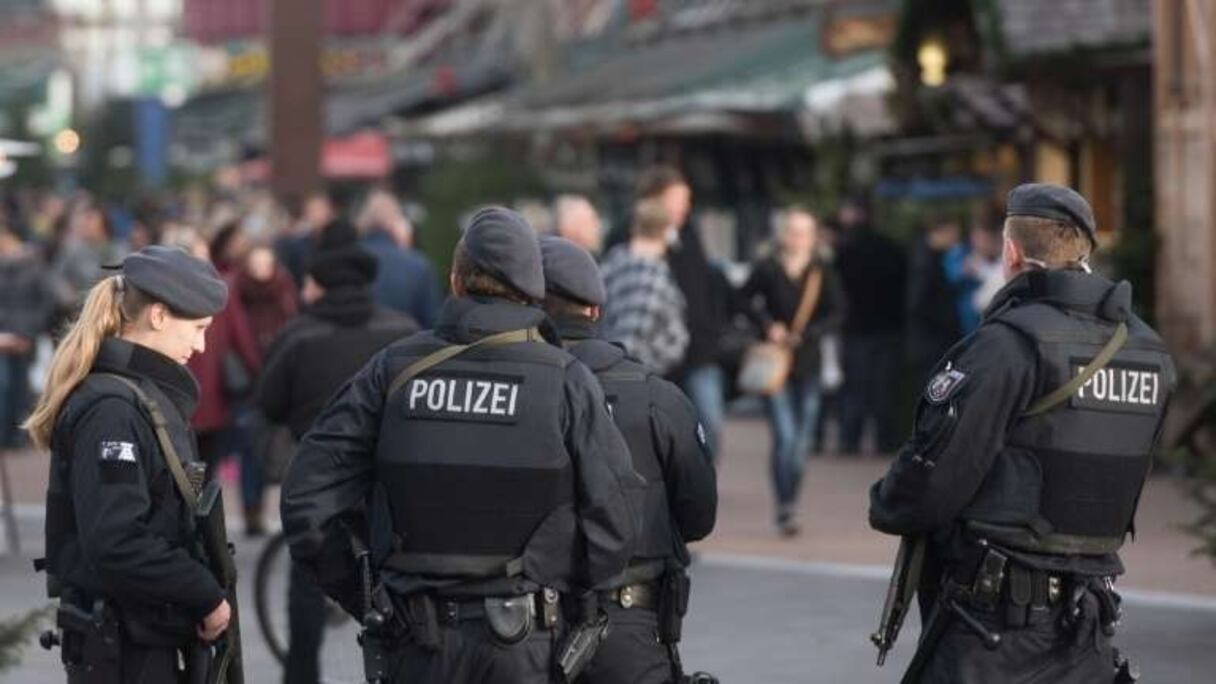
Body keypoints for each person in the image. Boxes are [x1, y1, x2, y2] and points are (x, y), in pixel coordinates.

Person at [281, 207, 640, 684]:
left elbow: (307, 497)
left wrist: (367, 594)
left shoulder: (393, 370)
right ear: (533, 291)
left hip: (416, 641)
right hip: (524, 646)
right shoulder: (565, 379)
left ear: (455, 281)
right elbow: (615, 520)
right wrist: (566, 601)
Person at [869, 184, 1175, 683]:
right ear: (1085, 253)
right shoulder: (1150, 353)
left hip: (993, 632)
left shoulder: (1006, 346)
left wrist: (886, 499)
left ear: (1011, 252)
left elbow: (928, 488)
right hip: (1088, 630)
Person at [27, 245, 236, 682]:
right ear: (158, 316)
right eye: (196, 328)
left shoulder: (139, 397)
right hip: (125, 647)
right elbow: (116, 538)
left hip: (143, 636)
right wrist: (204, 594)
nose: (200, 345)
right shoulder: (114, 409)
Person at [540, 235, 717, 683]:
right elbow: (698, 516)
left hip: (525, 628)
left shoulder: (520, 395)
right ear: (597, 310)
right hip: (631, 627)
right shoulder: (659, 397)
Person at [258, 220, 417, 684]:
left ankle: (302, 674)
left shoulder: (298, 336)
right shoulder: (401, 333)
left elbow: (268, 403)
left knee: (308, 578)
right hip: (385, 483)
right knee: (394, 580)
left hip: (321, 482)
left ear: (319, 284)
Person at [739, 209, 845, 537]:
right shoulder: (767, 268)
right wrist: (767, 326)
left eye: (804, 232)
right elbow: (742, 299)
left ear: (813, 238)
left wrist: (809, 334)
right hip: (775, 366)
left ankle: (791, 499)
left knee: (800, 443)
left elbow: (838, 311)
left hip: (807, 364)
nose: (797, 238)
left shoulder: (820, 271)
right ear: (782, 234)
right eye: (792, 231)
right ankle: (785, 507)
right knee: (784, 437)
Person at [636, 168, 732, 461]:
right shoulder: (629, 237)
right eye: (677, 199)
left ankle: (698, 484)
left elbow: (702, 287)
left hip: (698, 352)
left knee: (710, 424)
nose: (684, 207)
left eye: (685, 200)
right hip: (652, 356)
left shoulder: (690, 235)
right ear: (654, 200)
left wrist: (714, 330)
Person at [833, 198, 906, 455]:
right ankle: (885, 440)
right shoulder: (892, 249)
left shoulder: (843, 251)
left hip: (855, 329)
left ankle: (849, 439)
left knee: (855, 388)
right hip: (888, 328)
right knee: (883, 390)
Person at [599, 198, 689, 376]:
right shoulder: (651, 272)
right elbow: (632, 335)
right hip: (635, 373)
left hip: (614, 364)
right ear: (666, 230)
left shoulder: (613, 262)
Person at [357, 188, 443, 328]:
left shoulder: (345, 261)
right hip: (407, 346)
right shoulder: (419, 266)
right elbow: (432, 326)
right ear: (398, 224)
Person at [906, 217, 964, 385]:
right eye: (953, 234)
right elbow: (918, 303)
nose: (956, 240)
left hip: (930, 342)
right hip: (931, 344)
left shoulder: (932, 258)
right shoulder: (926, 263)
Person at [275, 190, 336, 288]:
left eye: (321, 210)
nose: (317, 215)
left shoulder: (339, 244)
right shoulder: (296, 246)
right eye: (313, 211)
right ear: (306, 214)